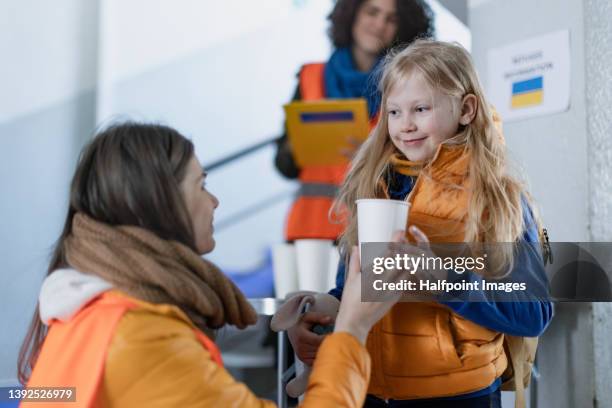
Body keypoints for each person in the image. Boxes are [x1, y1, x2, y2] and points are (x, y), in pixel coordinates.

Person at [17, 122, 412, 407]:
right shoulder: (142, 338)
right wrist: (352, 328)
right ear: (159, 203)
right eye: (201, 185)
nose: (215, 201)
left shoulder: (86, 315)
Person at [289, 40, 554, 407]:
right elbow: (353, 286)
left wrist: (445, 279)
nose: (405, 125)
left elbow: (534, 312)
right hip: (366, 388)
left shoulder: (496, 197)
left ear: (466, 109)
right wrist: (324, 313)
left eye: (421, 109)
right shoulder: (374, 186)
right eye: (394, 112)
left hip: (458, 396)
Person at [275, 0, 434, 242]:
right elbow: (284, 166)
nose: (379, 24)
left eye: (391, 19)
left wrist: (373, 160)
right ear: (351, 15)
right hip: (308, 234)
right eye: (372, 12)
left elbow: (418, 170)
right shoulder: (310, 77)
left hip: (373, 233)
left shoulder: (405, 87)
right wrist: (296, 146)